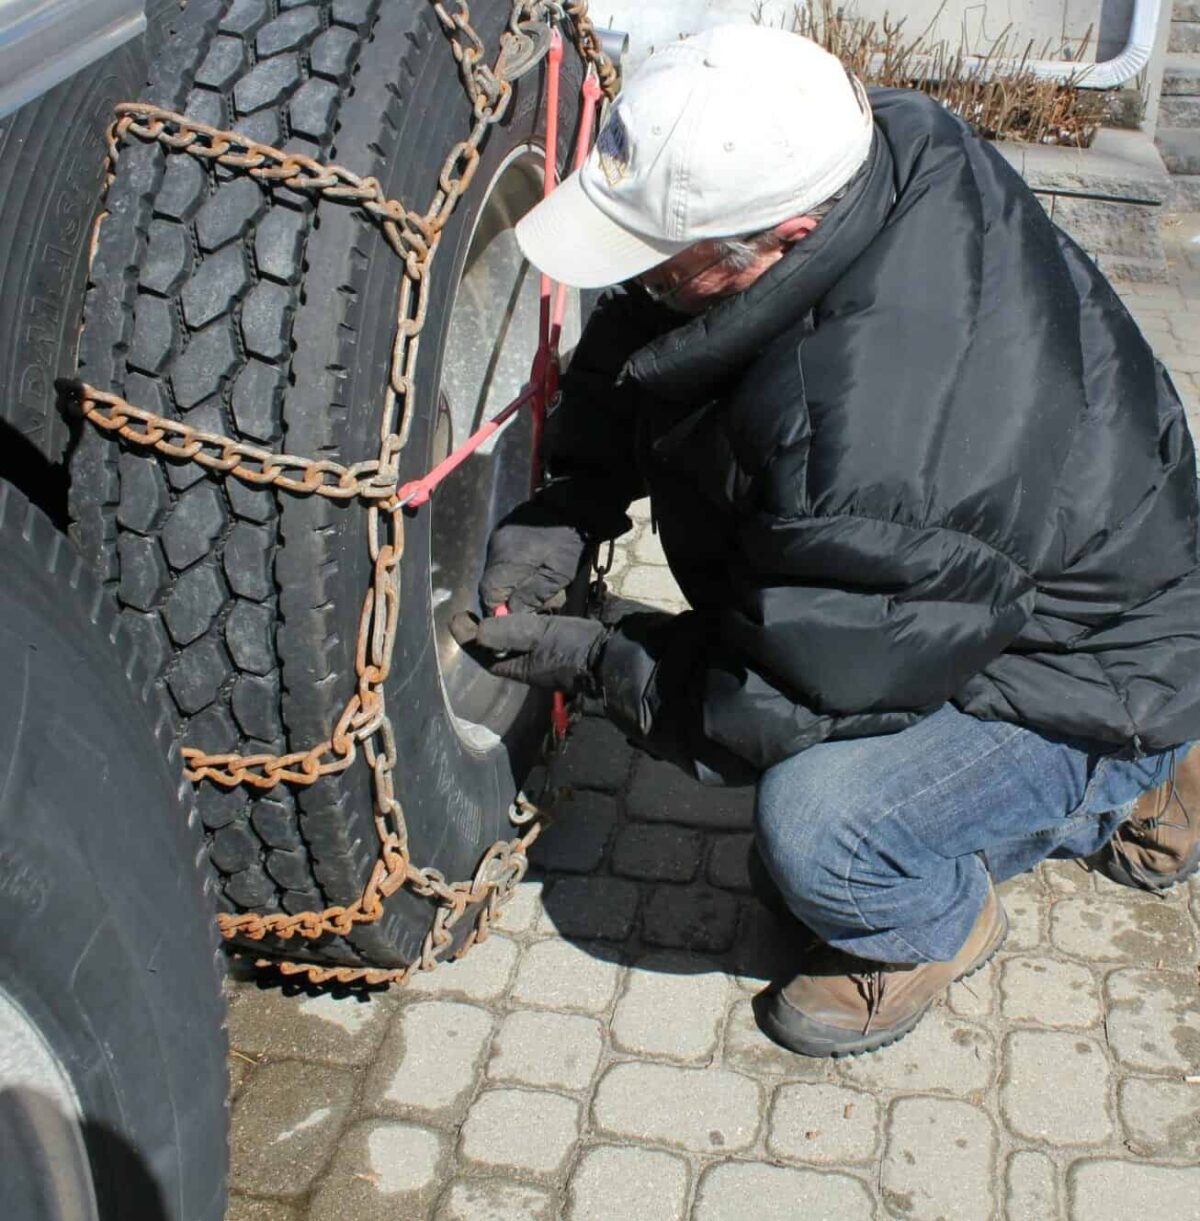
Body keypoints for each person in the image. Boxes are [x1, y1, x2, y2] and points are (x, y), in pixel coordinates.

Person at [450, 24, 1200, 1058]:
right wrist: (577, 496)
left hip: (1087, 663)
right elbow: (656, 314)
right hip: (1029, 560)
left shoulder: (882, 457)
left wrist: (598, 655)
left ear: (787, 235)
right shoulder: (864, 138)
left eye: (668, 263)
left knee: (821, 834)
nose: (644, 280)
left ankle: (977, 891)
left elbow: (771, 711)